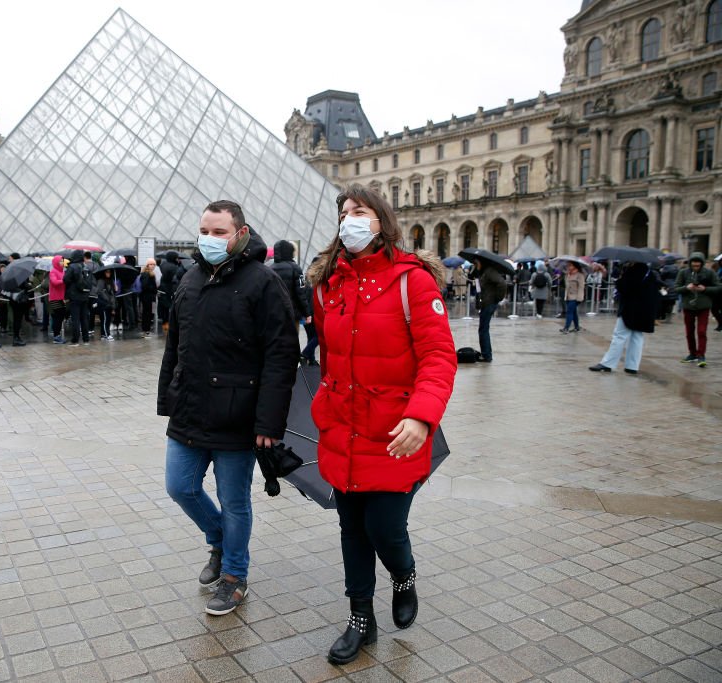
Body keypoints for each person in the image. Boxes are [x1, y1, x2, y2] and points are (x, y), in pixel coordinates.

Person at [307, 184, 456, 664]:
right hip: (343, 426)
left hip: (395, 432)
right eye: (343, 212)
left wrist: (421, 414)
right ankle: (359, 619)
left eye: (359, 211)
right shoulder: (329, 282)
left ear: (381, 220)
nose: (348, 218)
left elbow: (438, 356)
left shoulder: (413, 281)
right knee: (351, 527)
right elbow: (329, 357)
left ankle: (404, 573)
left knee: (385, 527)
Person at [158, 200, 299, 617]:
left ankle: (235, 576)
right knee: (179, 486)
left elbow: (281, 354)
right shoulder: (190, 278)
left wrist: (269, 422)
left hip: (238, 413)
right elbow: (174, 346)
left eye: (219, 232)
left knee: (234, 500)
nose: (209, 238)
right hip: (190, 407)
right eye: (205, 230)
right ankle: (221, 539)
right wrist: (169, 396)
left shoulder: (263, 282)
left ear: (241, 233)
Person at [589, 261, 661, 374]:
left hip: (630, 310)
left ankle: (608, 363)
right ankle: (632, 366)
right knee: (637, 337)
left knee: (619, 336)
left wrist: (618, 277)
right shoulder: (649, 273)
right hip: (644, 311)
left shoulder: (633, 271)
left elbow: (624, 288)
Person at [674, 252, 720, 367]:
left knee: (701, 331)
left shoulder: (709, 273)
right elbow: (676, 288)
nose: (696, 267)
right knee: (689, 332)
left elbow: (719, 287)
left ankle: (701, 355)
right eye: (693, 265)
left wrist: (705, 289)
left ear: (702, 264)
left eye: (698, 265)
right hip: (688, 306)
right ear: (690, 264)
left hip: (703, 306)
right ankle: (692, 353)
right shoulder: (683, 272)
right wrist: (686, 288)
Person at [468, 258, 507, 363]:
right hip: (485, 303)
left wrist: (497, 298)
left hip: (489, 303)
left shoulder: (489, 271)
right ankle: (486, 354)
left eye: (476, 262)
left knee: (483, 329)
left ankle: (486, 355)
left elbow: (502, 284)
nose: (475, 264)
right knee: (483, 329)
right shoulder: (483, 272)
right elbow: (480, 288)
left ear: (482, 262)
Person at [270, 240, 311, 333]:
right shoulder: (295, 268)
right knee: (292, 341)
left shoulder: (270, 268)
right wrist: (307, 313)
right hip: (292, 314)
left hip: (274, 314)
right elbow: (301, 293)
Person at [63, 250, 92, 346]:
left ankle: (75, 340)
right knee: (84, 318)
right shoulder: (85, 266)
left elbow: (65, 279)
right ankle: (86, 339)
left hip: (75, 296)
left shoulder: (72, 267)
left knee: (75, 319)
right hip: (85, 295)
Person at [158, 251, 181, 333]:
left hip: (161, 289)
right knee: (170, 307)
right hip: (170, 289)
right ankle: (169, 323)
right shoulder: (174, 267)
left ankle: (164, 323)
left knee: (163, 307)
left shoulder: (162, 265)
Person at [560, 262, 585, 333]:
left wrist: (579, 298)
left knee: (569, 312)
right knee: (574, 312)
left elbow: (581, 287)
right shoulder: (568, 274)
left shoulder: (580, 275)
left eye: (570, 265)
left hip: (575, 297)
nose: (568, 267)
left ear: (575, 266)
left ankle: (566, 328)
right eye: (568, 265)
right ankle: (577, 327)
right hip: (568, 296)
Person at [49, 256, 67, 344]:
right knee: (57, 317)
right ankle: (56, 337)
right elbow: (54, 282)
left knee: (61, 317)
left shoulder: (63, 271)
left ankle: (57, 336)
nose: (62, 263)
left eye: (62, 261)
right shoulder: (53, 271)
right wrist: (64, 280)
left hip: (62, 298)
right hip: (55, 298)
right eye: (60, 261)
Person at [138, 258, 158, 338]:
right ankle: (146, 330)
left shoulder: (148, 273)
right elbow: (144, 286)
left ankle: (146, 330)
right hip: (147, 297)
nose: (153, 266)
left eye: (154, 264)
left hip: (147, 296)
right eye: (151, 264)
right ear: (147, 265)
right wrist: (153, 289)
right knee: (147, 313)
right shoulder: (147, 274)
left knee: (147, 313)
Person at [93, 269, 116, 340]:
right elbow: (99, 291)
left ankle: (103, 334)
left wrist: (115, 289)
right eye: (107, 272)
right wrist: (106, 298)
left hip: (109, 304)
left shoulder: (111, 281)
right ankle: (107, 334)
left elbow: (112, 294)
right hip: (103, 304)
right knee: (105, 319)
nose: (108, 273)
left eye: (109, 272)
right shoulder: (101, 281)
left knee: (107, 319)